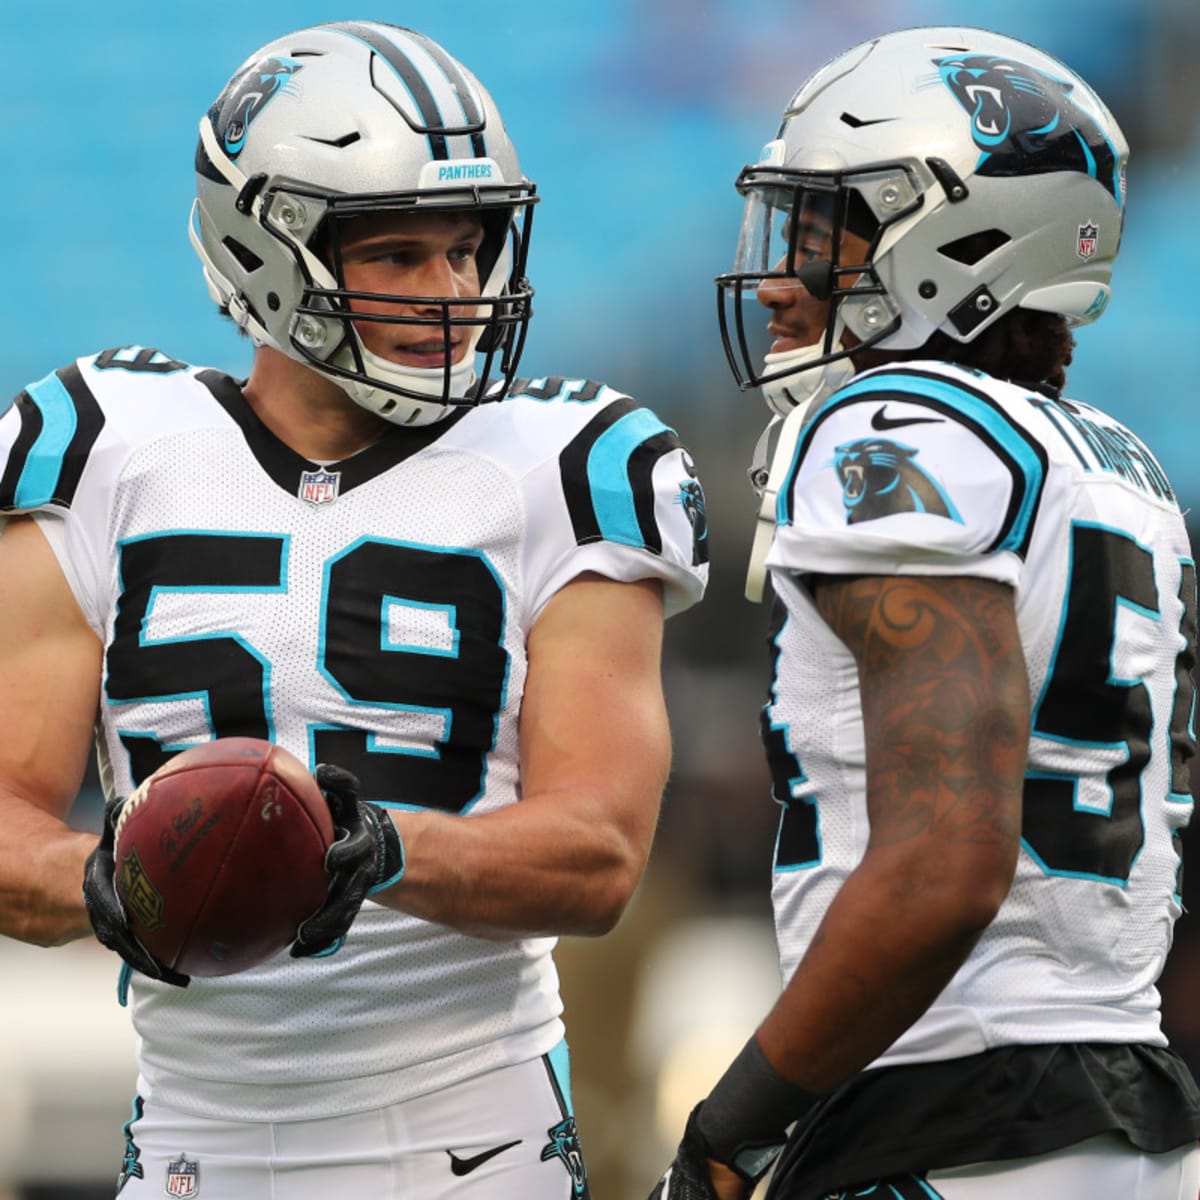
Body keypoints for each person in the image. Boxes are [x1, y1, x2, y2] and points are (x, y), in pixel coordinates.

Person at [0, 20, 708, 1199]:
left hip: (475, 1149)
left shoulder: (563, 462)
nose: (456, 292)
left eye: (469, 250)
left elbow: (599, 857)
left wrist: (378, 850)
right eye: (401, 255)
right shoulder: (101, 450)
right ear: (268, 251)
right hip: (191, 1146)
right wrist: (111, 882)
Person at [649, 24, 1200, 1200]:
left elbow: (947, 863)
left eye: (825, 233)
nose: (787, 277)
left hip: (948, 1108)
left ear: (961, 242)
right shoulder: (1121, 464)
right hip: (1127, 1112)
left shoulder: (889, 428)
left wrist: (730, 1126)